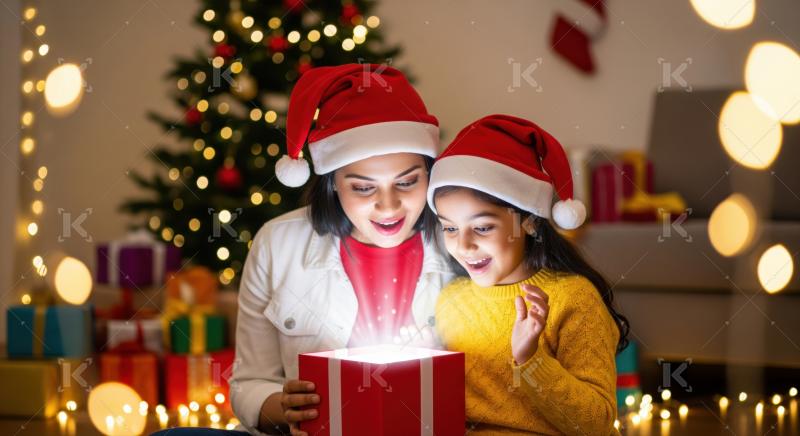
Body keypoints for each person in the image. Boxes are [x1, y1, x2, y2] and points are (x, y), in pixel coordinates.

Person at [227, 64, 453, 436]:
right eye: (364, 188)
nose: (389, 206)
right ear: (333, 185)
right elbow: (248, 384)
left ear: (430, 173)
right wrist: (284, 408)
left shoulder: (462, 245)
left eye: (408, 182)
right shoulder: (278, 244)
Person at [429, 114, 630, 435]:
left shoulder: (573, 298)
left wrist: (531, 360)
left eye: (482, 227)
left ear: (530, 222)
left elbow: (597, 424)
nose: (463, 244)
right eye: (450, 227)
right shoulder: (451, 301)